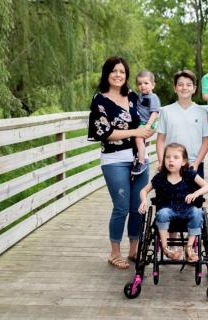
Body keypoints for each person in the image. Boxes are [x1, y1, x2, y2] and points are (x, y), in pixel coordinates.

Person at [87, 56, 154, 270]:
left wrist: (147, 133)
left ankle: (133, 249)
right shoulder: (100, 100)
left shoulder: (133, 96)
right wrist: (136, 131)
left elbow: (145, 120)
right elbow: (104, 133)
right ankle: (114, 253)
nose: (118, 75)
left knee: (137, 207)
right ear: (107, 73)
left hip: (139, 159)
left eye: (122, 72)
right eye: (114, 71)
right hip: (114, 159)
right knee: (121, 207)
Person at [138, 143, 208, 262]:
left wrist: (195, 194)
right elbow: (144, 190)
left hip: (186, 211)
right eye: (167, 157)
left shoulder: (189, 174)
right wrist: (144, 201)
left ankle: (189, 248)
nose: (171, 160)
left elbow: (207, 186)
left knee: (197, 213)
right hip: (168, 212)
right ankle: (166, 248)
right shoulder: (160, 177)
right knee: (162, 213)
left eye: (176, 157)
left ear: (183, 161)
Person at [156, 70, 208, 179]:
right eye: (180, 85)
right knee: (169, 196)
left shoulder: (202, 112)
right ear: (175, 88)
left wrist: (196, 163)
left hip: (194, 164)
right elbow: (160, 140)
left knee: (195, 195)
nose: (184, 87)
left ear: (194, 89)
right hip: (171, 164)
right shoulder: (166, 111)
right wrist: (162, 162)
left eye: (188, 85)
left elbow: (206, 141)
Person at [131, 70, 161, 175]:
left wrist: (148, 125)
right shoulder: (140, 95)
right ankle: (141, 152)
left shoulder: (153, 97)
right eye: (139, 84)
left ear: (153, 85)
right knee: (139, 139)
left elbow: (155, 112)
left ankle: (141, 162)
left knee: (138, 138)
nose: (143, 86)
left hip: (148, 123)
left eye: (146, 83)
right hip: (142, 123)